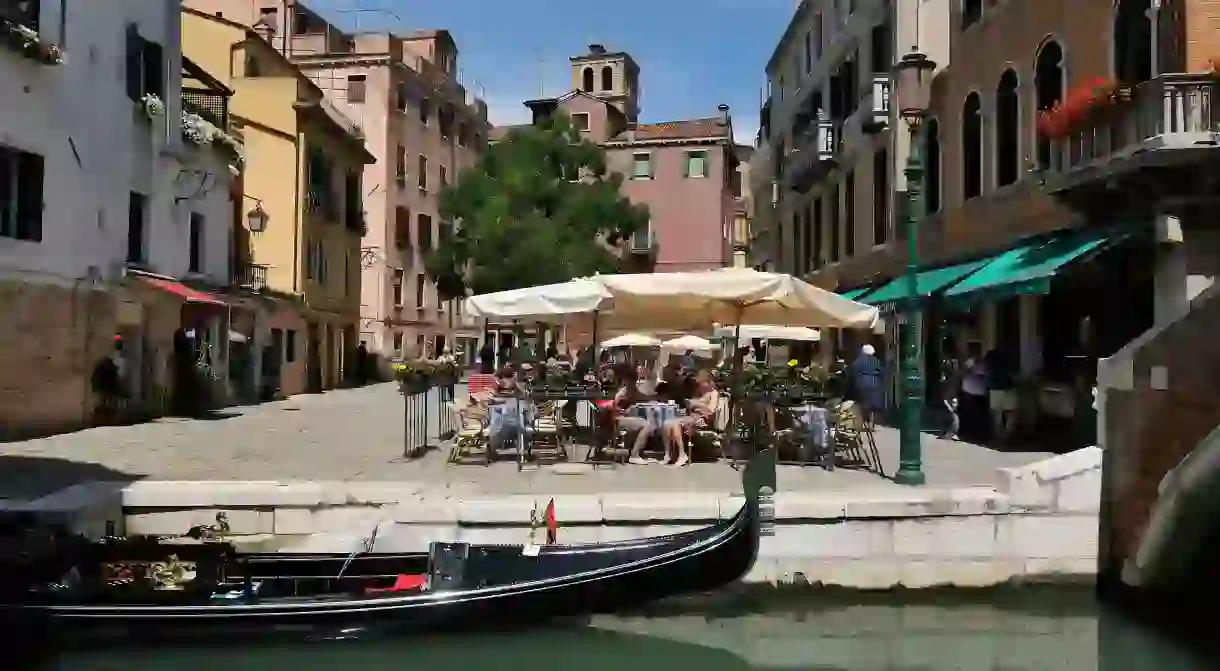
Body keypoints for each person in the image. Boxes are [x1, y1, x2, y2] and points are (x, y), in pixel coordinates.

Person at [662, 370, 720, 467]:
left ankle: (682, 454)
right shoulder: (699, 392)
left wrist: (695, 404)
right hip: (691, 416)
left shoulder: (713, 393)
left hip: (702, 420)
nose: (700, 385)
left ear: (708, 382)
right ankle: (668, 454)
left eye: (702, 383)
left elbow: (711, 410)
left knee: (676, 424)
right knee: (666, 423)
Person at [610, 365, 656, 465]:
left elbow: (641, 397)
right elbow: (612, 407)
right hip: (616, 420)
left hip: (621, 418)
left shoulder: (630, 389)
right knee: (647, 425)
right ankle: (634, 455)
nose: (635, 382)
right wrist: (622, 411)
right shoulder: (623, 391)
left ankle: (637, 451)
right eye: (634, 380)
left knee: (644, 422)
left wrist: (655, 397)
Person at [985, 347, 1017, 445]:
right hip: (1007, 387)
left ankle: (997, 438)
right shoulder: (1007, 359)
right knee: (1011, 413)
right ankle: (1006, 436)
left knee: (996, 415)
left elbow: (987, 370)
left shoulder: (990, 358)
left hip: (994, 388)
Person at [959, 342, 989, 442]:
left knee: (977, 416)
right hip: (969, 392)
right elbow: (962, 373)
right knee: (969, 414)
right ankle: (968, 434)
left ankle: (977, 435)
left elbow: (984, 374)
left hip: (979, 393)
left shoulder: (982, 362)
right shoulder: (969, 362)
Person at [848, 344, 885, 420]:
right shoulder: (876, 360)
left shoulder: (859, 360)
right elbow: (881, 371)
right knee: (874, 402)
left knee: (863, 402)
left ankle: (865, 420)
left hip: (862, 382)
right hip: (875, 382)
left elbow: (853, 370)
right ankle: (872, 419)